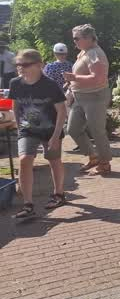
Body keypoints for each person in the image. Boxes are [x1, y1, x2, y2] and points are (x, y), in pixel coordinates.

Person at [9, 49, 68, 219]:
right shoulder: (15, 83)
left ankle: (59, 194)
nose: (21, 68)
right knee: (24, 160)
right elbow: (15, 106)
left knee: (54, 161)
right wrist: (19, 126)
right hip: (27, 129)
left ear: (39, 65)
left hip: (51, 130)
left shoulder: (50, 85)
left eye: (25, 64)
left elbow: (62, 111)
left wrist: (56, 136)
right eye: (18, 64)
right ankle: (28, 204)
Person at [64, 24, 112, 176]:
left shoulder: (94, 53)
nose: (74, 41)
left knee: (97, 131)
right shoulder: (84, 52)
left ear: (89, 38)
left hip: (94, 97)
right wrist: (71, 83)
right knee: (73, 129)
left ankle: (104, 164)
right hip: (80, 97)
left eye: (76, 38)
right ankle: (93, 157)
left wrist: (74, 78)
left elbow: (98, 78)